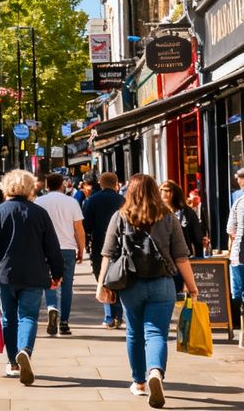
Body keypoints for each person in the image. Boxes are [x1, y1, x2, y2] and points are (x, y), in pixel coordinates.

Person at [95, 174, 197, 408]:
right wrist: (192, 286)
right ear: (154, 191)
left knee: (134, 333)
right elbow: (181, 257)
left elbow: (107, 255)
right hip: (162, 283)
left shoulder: (120, 216)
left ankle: (139, 382)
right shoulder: (168, 217)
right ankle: (155, 373)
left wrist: (101, 285)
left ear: (129, 191)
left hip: (131, 284)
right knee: (156, 334)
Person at [0, 169, 64, 386]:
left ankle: (13, 363)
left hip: (5, 275)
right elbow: (52, 247)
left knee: (8, 318)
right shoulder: (40, 213)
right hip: (34, 275)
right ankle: (25, 350)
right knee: (28, 316)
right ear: (30, 188)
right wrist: (57, 274)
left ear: (6, 187)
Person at [34, 173, 85, 336]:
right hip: (67, 248)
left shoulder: (39, 202)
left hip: (45, 248)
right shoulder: (72, 202)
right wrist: (81, 249)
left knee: (50, 281)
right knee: (67, 285)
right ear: (62, 185)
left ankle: (52, 307)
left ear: (47, 185)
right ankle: (64, 322)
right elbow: (78, 228)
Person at [82, 171, 125, 329]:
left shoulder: (92, 200)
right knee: (120, 278)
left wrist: (86, 244)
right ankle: (119, 314)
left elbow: (86, 225)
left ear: (100, 183)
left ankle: (109, 317)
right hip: (121, 245)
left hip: (100, 244)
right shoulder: (123, 200)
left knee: (103, 278)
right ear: (116, 185)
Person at [160, 180, 206, 259]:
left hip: (181, 257)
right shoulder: (157, 212)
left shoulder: (187, 212)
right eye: (163, 191)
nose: (166, 193)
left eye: (168, 191)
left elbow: (197, 238)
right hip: (164, 258)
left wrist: (199, 260)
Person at [228, 179, 244, 330]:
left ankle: (239, 324)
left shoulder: (238, 201)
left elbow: (230, 230)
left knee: (237, 290)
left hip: (238, 253)